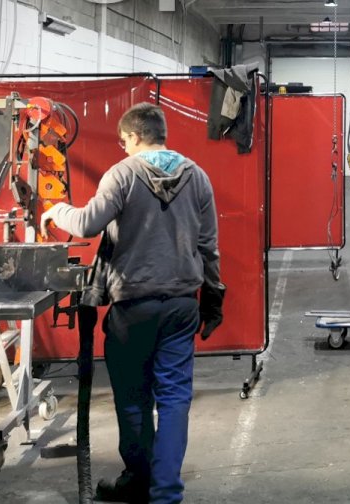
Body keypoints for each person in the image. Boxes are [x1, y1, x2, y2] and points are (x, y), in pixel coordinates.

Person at [44, 102, 224, 504]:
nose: (123, 149)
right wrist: (214, 299)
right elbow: (209, 246)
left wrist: (55, 210)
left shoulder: (122, 174)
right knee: (174, 399)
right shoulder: (197, 176)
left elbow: (87, 223)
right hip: (181, 306)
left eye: (124, 141)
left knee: (133, 399)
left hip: (133, 307)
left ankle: (138, 481)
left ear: (133, 136)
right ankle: (166, 492)